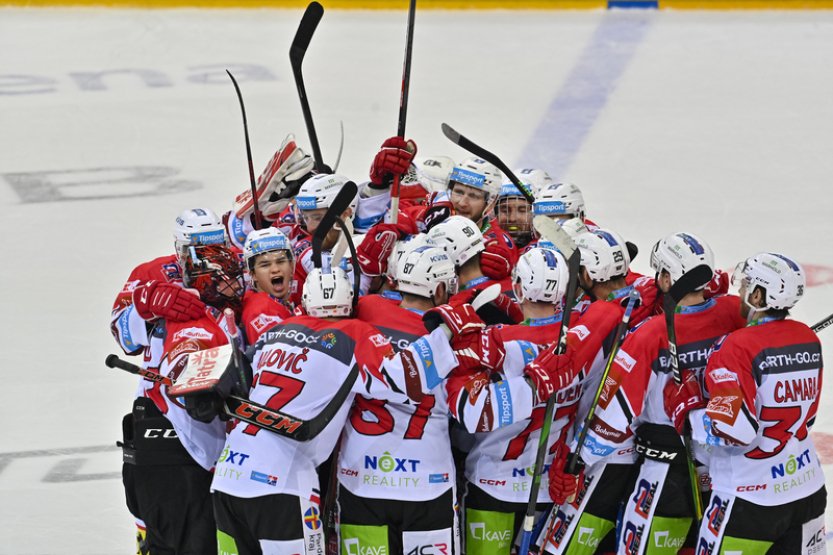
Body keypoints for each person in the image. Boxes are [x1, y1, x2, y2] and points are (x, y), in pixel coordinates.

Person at [209, 254, 478, 554]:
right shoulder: (355, 333)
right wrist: (448, 331)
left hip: (228, 476)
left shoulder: (275, 332)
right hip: (284, 483)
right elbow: (408, 380)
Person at [566, 232, 745, 555]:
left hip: (663, 473)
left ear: (666, 277)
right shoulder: (732, 311)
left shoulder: (649, 334)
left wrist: (576, 460)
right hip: (722, 469)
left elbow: (615, 414)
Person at [669, 253, 826, 554]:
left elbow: (736, 431)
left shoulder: (734, 346)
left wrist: (690, 413)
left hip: (750, 499)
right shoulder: (808, 338)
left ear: (758, 295)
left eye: (746, 287)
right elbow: (806, 420)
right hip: (807, 489)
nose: (740, 292)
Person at [444, 247, 579, 555]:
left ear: (517, 287)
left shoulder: (494, 339)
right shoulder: (580, 342)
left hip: (492, 480)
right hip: (550, 486)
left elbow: (463, 404)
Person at [111, 208, 223, 552]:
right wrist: (144, 307)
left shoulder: (234, 273)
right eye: (200, 250)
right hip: (163, 418)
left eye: (217, 248)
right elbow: (122, 336)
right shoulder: (150, 274)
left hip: (218, 418)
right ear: (180, 248)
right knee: (163, 534)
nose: (211, 259)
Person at [337, 245, 462, 554]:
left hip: (360, 478)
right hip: (427, 482)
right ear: (441, 288)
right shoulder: (456, 335)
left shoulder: (363, 311)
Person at [124, 240, 245, 555]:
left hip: (191, 448)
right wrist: (195, 382)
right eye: (219, 273)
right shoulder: (191, 310)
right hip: (172, 440)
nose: (231, 279)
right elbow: (184, 349)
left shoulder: (236, 307)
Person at [241, 227, 296, 343]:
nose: (275, 269)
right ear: (253, 274)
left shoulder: (270, 300)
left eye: (281, 262)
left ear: (291, 266)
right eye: (265, 265)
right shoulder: (262, 311)